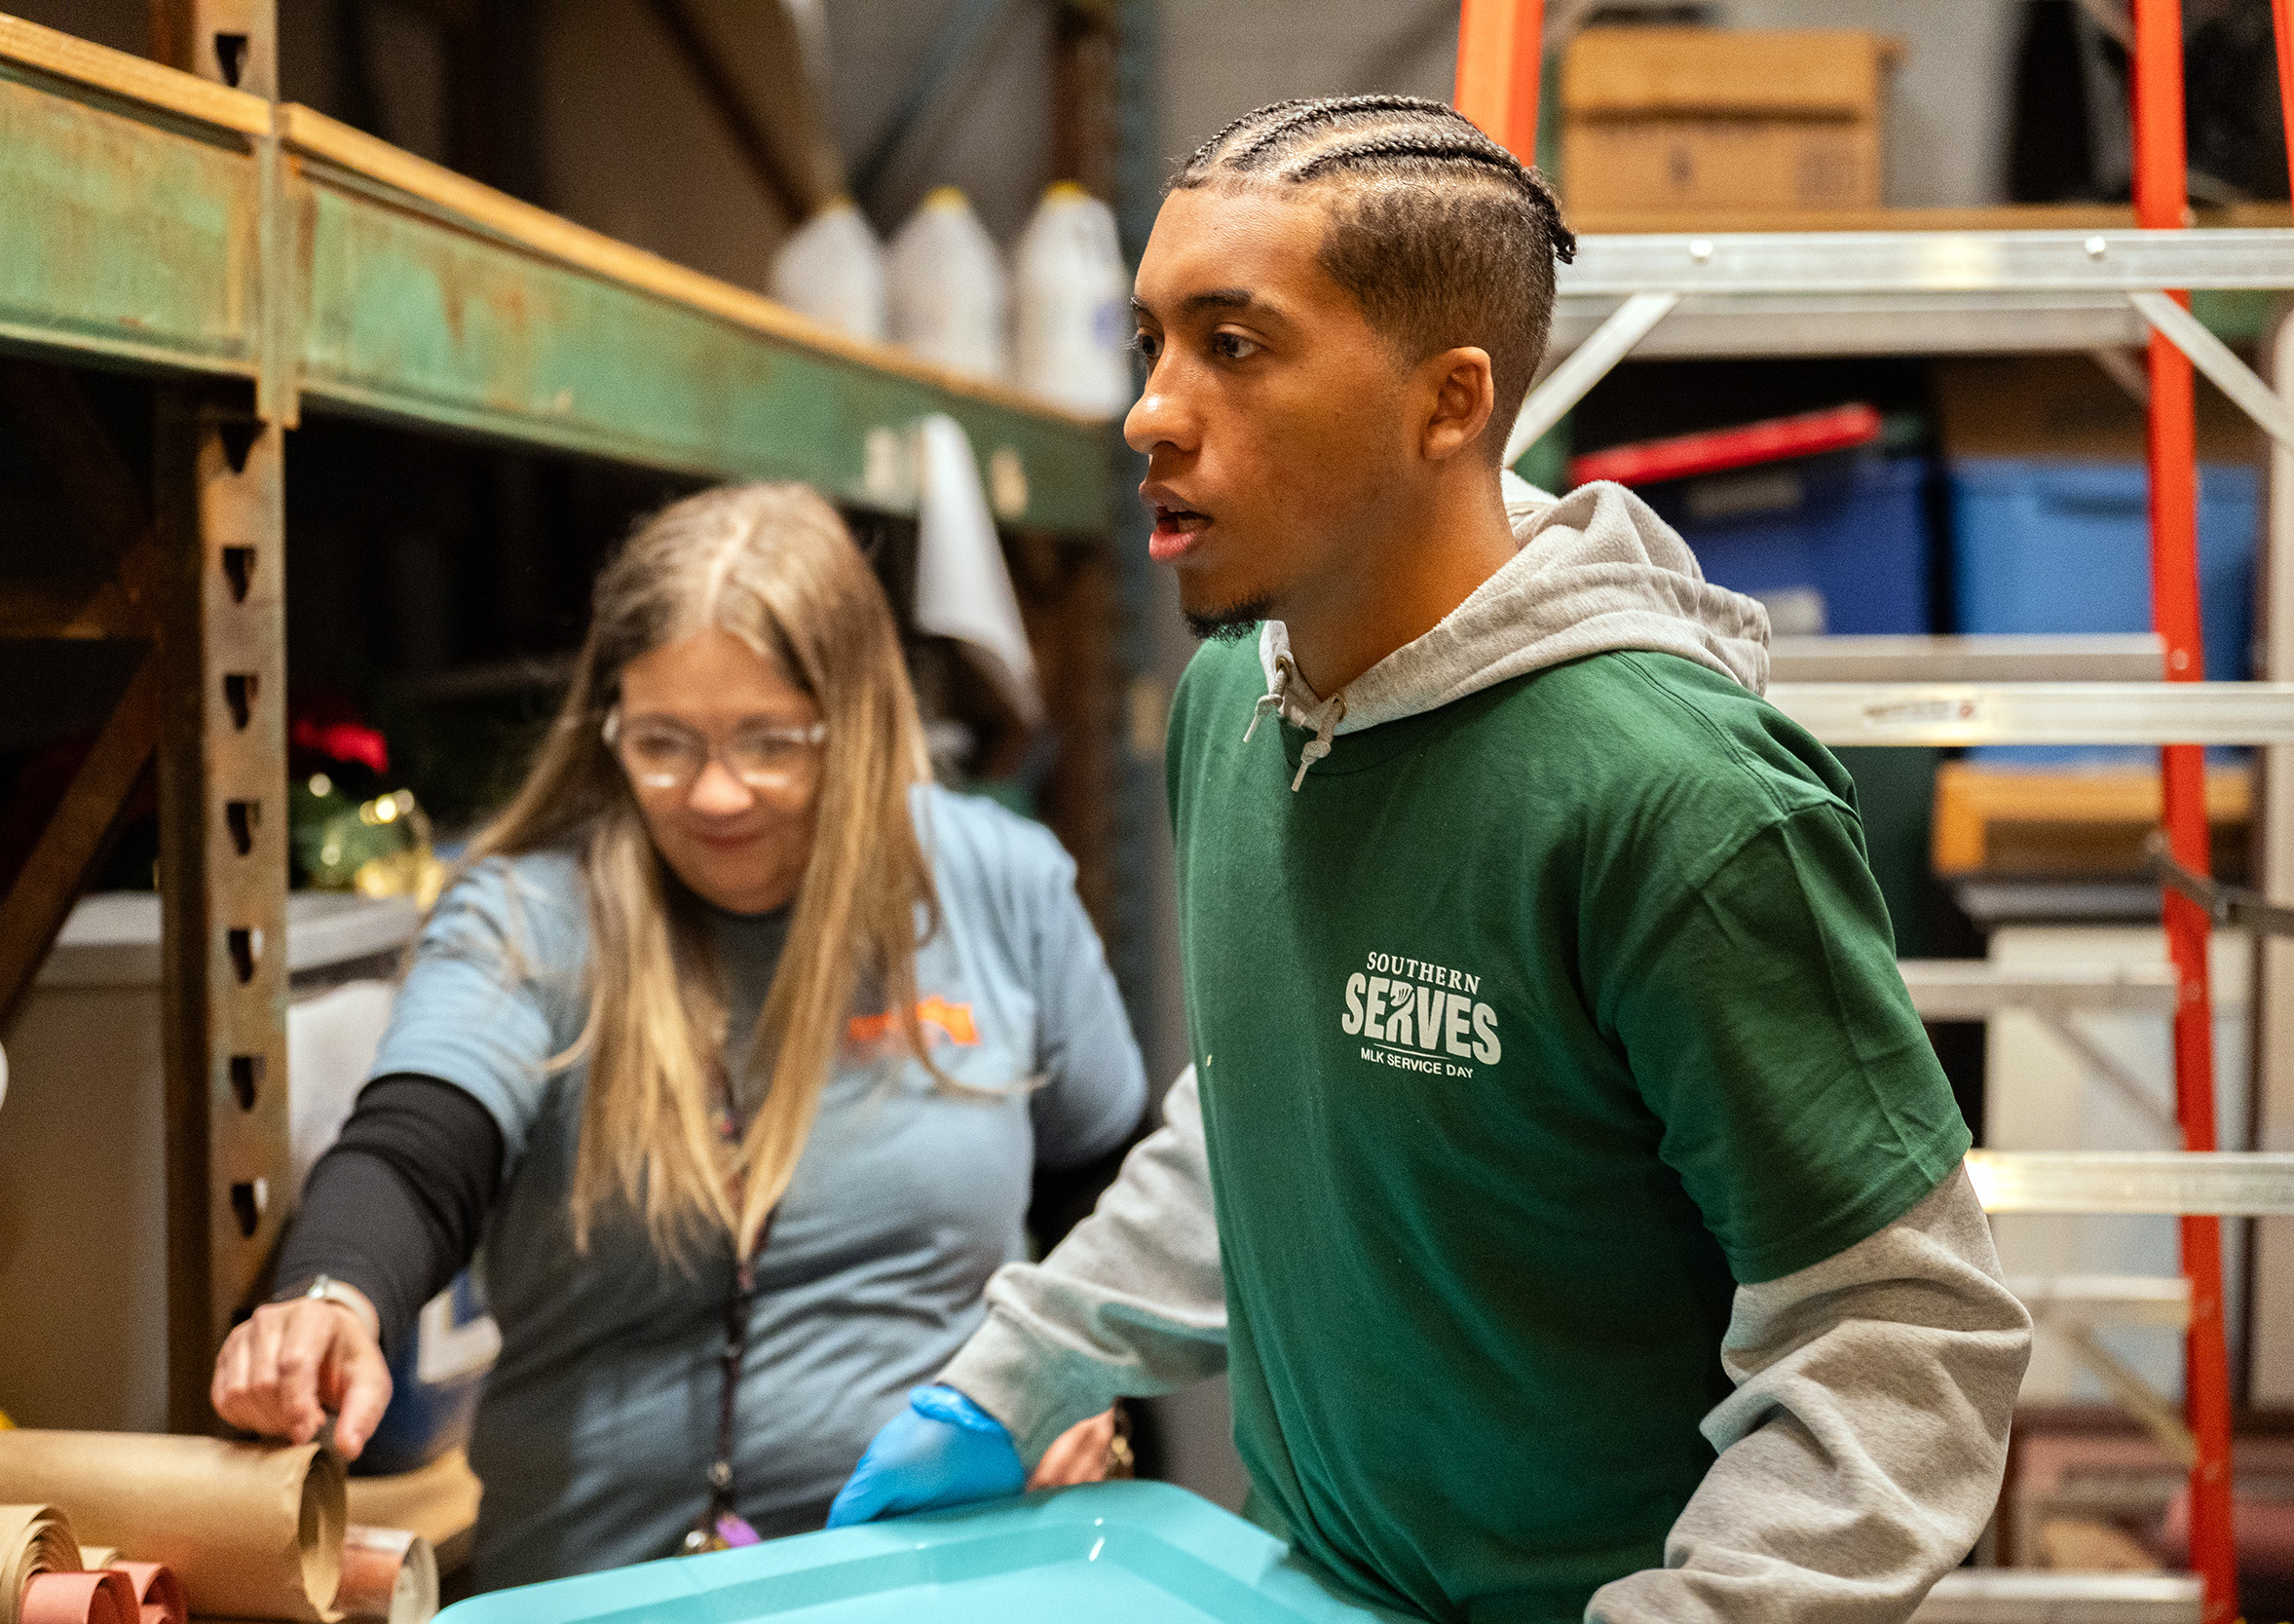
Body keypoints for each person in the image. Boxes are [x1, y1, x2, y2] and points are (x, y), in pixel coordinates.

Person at [828, 94, 2033, 1624]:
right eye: (1151, 342)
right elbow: (1273, 1115)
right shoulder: (1234, 706)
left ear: (1449, 403)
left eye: (1235, 344)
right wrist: (1021, 1372)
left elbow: (1904, 1326)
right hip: (1304, 1584)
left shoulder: (1676, 798)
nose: (1151, 410)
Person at [210, 483, 1147, 1587]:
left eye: (769, 741)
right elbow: (418, 1151)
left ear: (858, 720)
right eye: (662, 742)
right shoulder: (530, 916)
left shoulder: (998, 884)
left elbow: (1111, 1202)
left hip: (951, 1574)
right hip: (605, 1583)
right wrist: (332, 1296)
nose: (714, 793)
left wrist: (1091, 1397)